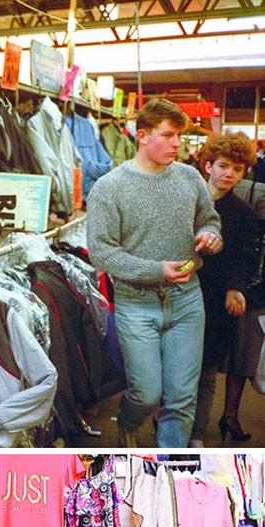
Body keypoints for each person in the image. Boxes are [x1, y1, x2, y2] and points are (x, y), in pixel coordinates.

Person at [86, 98, 223, 448]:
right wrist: (156, 270)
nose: (177, 143)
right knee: (146, 392)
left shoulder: (189, 178)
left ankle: (170, 465)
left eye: (179, 136)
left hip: (187, 298)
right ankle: (128, 423)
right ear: (143, 135)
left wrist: (210, 236)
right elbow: (101, 251)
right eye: (168, 135)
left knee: (182, 396)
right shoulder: (109, 188)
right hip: (136, 301)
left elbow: (209, 220)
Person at [190, 132, 260, 446]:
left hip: (216, 301)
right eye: (223, 166)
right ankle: (169, 419)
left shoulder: (245, 214)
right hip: (178, 293)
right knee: (175, 371)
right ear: (208, 166)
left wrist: (235, 288)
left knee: (207, 374)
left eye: (237, 169)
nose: (229, 174)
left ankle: (196, 433)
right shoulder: (185, 202)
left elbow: (246, 258)